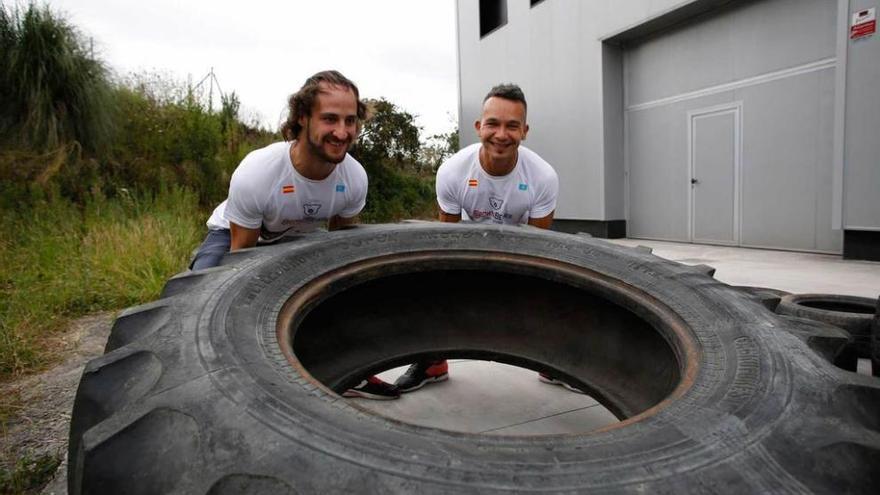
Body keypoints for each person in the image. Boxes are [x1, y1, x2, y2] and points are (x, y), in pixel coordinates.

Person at [190, 70, 399, 400]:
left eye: (350, 121)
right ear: (302, 117)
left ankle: (348, 371)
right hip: (239, 237)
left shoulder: (355, 178)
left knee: (336, 293)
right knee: (203, 292)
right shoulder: (259, 171)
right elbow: (237, 263)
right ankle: (215, 380)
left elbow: (343, 252)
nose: (342, 132)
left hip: (297, 239)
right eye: (330, 119)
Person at [394, 83, 579, 394]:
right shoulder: (453, 171)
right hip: (468, 246)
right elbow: (447, 244)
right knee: (428, 277)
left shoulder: (543, 177)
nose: (501, 134)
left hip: (520, 250)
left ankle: (552, 364)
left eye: (512, 126)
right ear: (479, 126)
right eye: (493, 123)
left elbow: (538, 248)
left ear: (525, 131)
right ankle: (433, 361)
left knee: (561, 281)